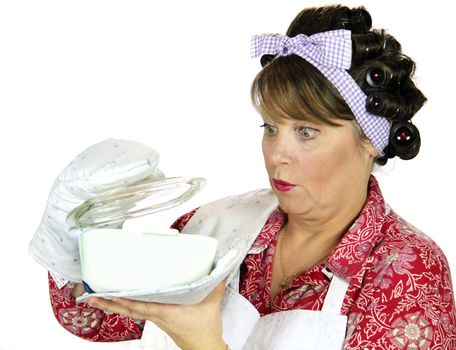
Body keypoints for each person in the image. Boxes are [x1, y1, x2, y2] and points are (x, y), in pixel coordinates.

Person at [30, 4, 456, 349]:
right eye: (270, 127)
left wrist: (202, 343)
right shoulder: (218, 225)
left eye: (306, 132)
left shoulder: (407, 273)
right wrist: (72, 231)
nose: (277, 155)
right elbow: (99, 321)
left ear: (371, 142)